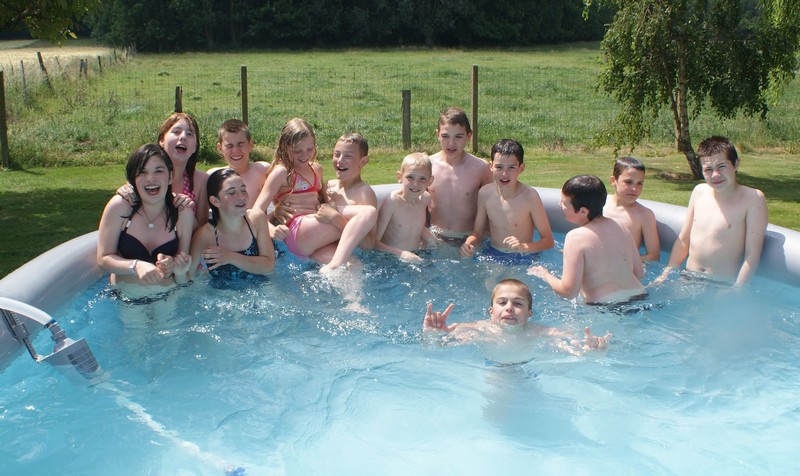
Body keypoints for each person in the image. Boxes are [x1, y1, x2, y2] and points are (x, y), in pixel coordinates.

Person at [253, 120, 376, 272]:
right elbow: (256, 211)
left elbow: (318, 205)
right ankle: (335, 264)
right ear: (285, 147)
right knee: (368, 212)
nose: (305, 155)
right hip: (297, 233)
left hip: (312, 236)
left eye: (309, 149)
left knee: (353, 265)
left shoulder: (316, 169)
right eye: (298, 151)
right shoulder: (282, 172)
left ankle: (340, 282)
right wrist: (271, 228)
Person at [663, 136, 768, 285]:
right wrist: (667, 273)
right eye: (708, 169)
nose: (715, 175)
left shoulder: (753, 199)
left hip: (720, 284)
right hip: (687, 277)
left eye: (722, 166)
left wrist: (738, 289)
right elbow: (684, 239)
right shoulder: (699, 192)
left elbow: (752, 254)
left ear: (736, 164)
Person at [527, 175, 645, 303]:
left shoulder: (576, 237)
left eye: (564, 203)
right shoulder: (621, 226)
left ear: (583, 211)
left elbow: (568, 292)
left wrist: (544, 274)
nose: (559, 205)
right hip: (640, 296)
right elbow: (639, 273)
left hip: (605, 307)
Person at [423, 279, 611, 356]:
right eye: (502, 302)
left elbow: (573, 343)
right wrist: (434, 335)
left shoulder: (539, 332)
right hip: (491, 368)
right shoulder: (478, 329)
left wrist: (591, 348)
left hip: (527, 370)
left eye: (518, 304)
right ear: (491, 312)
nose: (509, 308)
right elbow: (438, 348)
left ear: (530, 313)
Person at [97, 143, 194, 291]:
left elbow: (182, 268)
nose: (150, 178)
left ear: (170, 177)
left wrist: (172, 265)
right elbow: (103, 259)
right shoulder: (120, 207)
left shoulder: (182, 212)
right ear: (133, 179)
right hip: (125, 297)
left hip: (168, 296)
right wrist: (135, 266)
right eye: (142, 172)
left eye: (158, 171)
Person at [460, 139, 554, 264]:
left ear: (521, 168)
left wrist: (523, 247)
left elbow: (548, 241)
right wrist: (468, 244)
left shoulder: (530, 197)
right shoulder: (485, 193)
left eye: (511, 168)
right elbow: (477, 232)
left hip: (521, 256)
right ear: (491, 166)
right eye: (499, 167)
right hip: (492, 253)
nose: (504, 174)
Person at [117, 112, 209, 229]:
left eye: (190, 134)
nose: (183, 137)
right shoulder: (144, 179)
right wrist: (125, 193)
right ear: (162, 140)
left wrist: (185, 211)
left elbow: (203, 232)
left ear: (195, 146)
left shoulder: (201, 181)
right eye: (176, 132)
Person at [188, 168, 274, 280]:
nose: (241, 196)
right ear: (215, 201)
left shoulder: (256, 219)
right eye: (232, 192)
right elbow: (189, 276)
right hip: (221, 291)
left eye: (243, 190)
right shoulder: (205, 236)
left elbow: (269, 266)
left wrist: (230, 257)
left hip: (262, 288)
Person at [427, 107, 493, 246]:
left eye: (458, 136)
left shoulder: (481, 168)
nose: (451, 143)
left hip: (468, 240)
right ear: (437, 134)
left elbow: (492, 207)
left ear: (469, 136)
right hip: (434, 238)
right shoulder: (428, 165)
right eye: (445, 136)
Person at [374, 152, 436, 262]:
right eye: (410, 177)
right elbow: (373, 242)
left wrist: (429, 238)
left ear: (430, 181)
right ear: (399, 177)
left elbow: (416, 224)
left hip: (416, 255)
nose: (416, 184)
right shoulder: (393, 202)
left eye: (422, 178)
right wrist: (401, 254)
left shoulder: (425, 199)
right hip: (390, 259)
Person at [603, 157, 660, 261]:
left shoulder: (644, 215)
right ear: (613, 181)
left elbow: (653, 256)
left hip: (625, 267)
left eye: (639, 183)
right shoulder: (600, 205)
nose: (634, 189)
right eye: (628, 182)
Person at [207, 118, 269, 209]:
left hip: (258, 218)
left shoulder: (263, 171)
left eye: (240, 144)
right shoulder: (213, 177)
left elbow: (281, 200)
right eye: (229, 146)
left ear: (250, 145)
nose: (235, 150)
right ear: (220, 148)